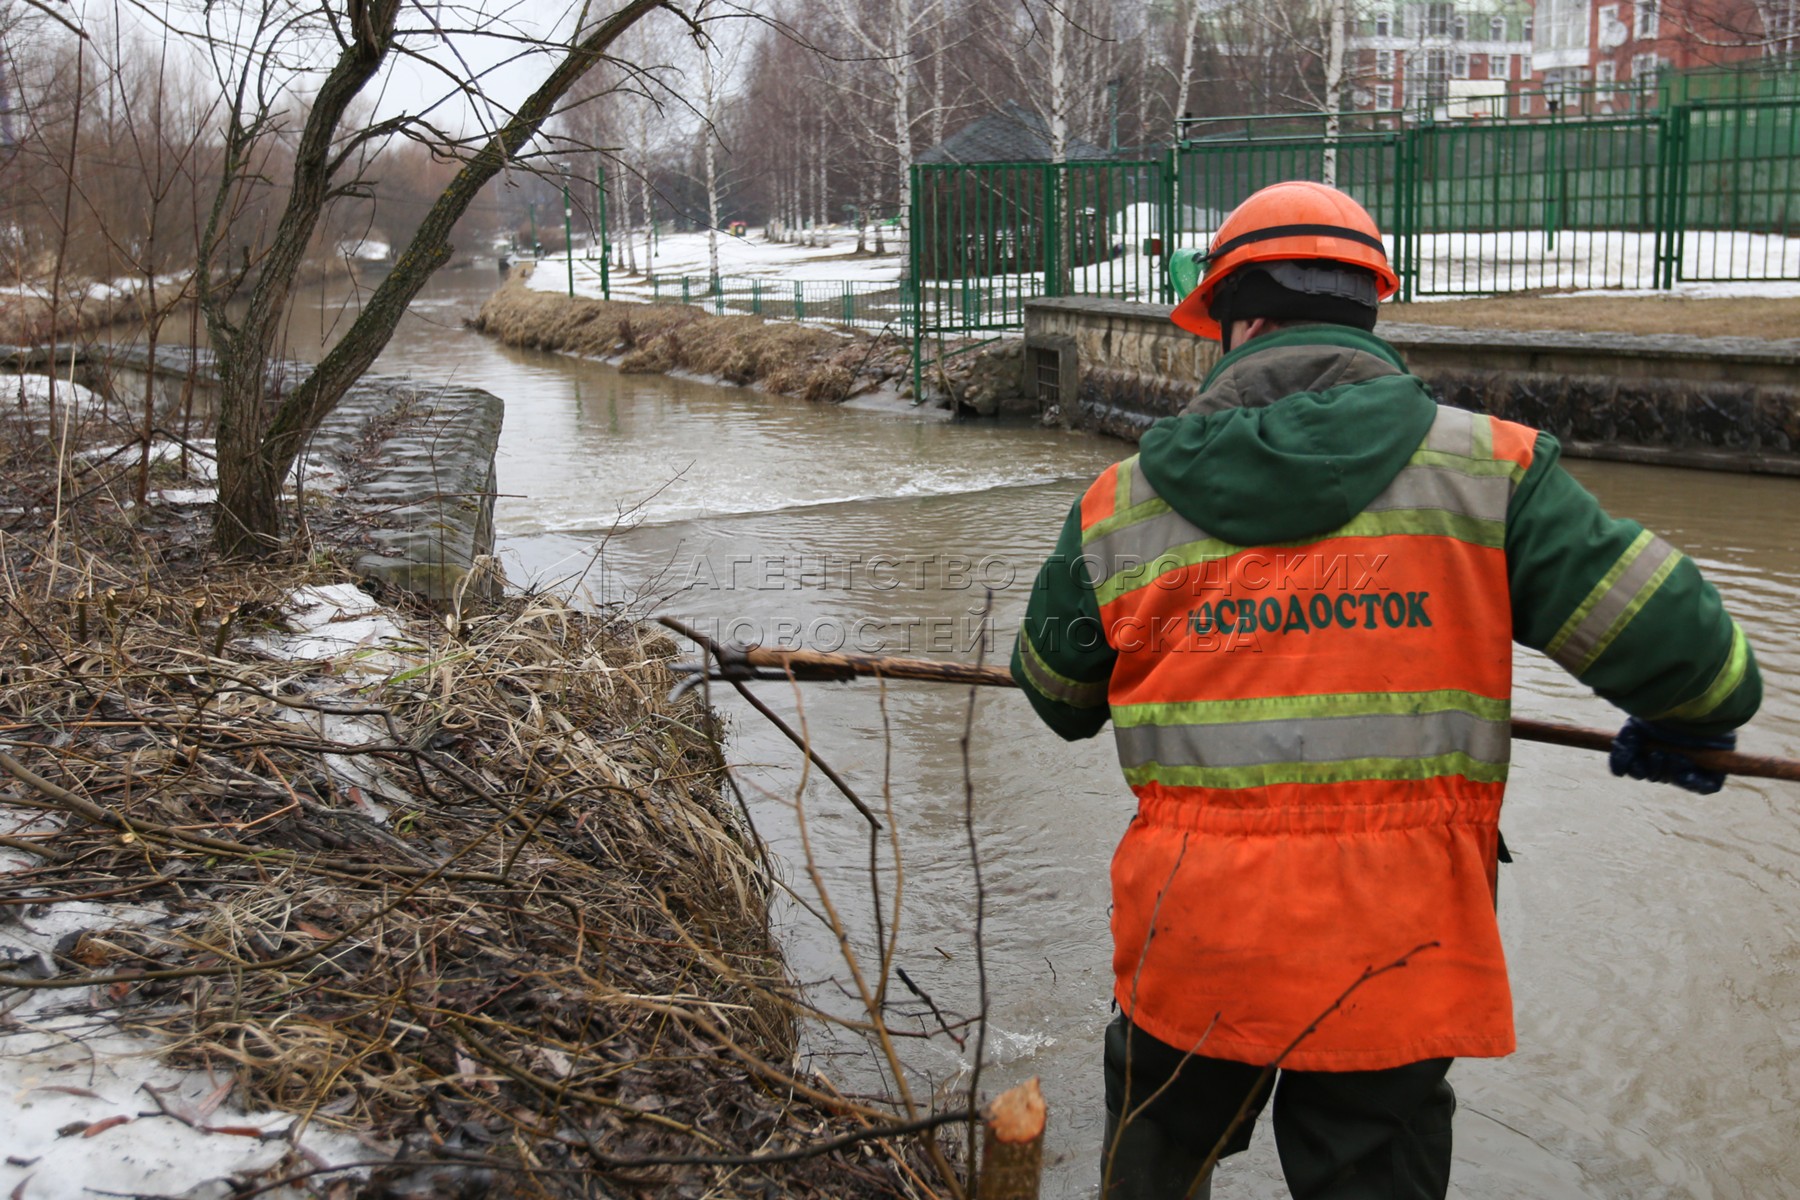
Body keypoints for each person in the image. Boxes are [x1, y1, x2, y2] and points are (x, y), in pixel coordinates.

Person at [1008, 180, 1761, 1200]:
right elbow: (1704, 663)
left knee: (1155, 1164)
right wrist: (1686, 725)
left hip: (1194, 944)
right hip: (1396, 947)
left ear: (1243, 319)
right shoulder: (1490, 474)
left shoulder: (1119, 504)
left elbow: (1055, 693)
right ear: (1369, 308)